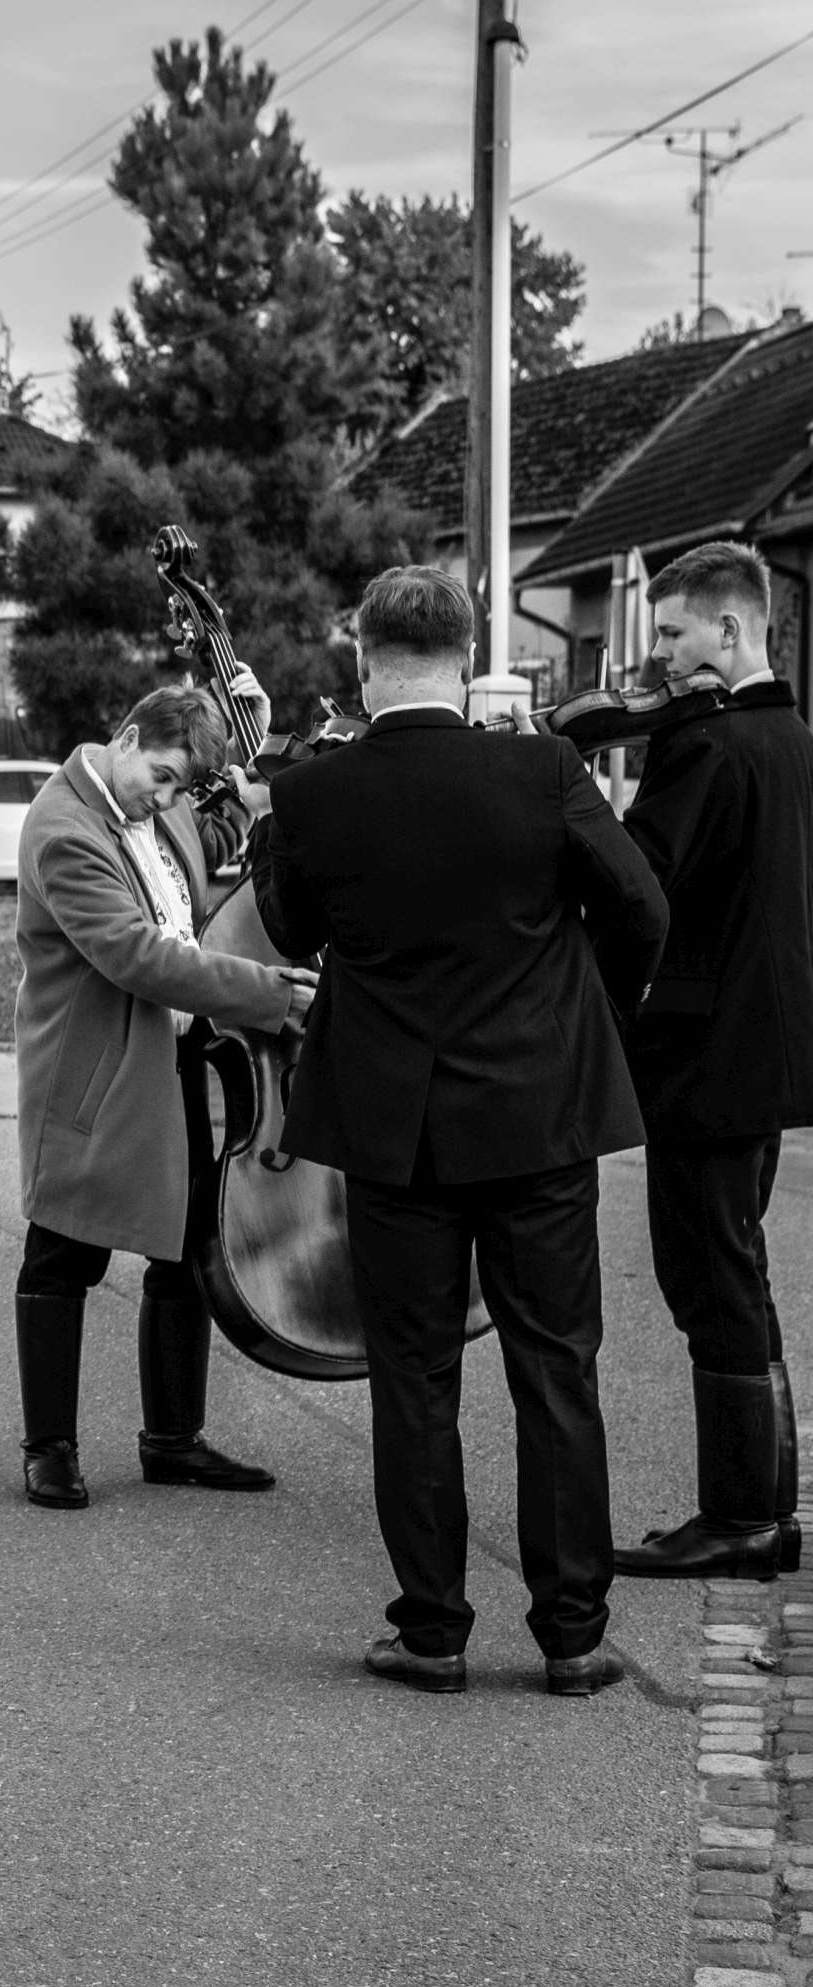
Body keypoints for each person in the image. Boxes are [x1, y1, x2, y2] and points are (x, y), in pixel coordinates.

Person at [257, 566, 668, 1698]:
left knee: (413, 1382)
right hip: (540, 1115)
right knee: (557, 1374)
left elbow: (289, 928)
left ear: (362, 659)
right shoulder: (543, 768)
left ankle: (433, 1631)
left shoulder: (314, 793)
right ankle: (573, 1635)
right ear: (468, 655)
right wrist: (585, 1012)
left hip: (396, 1132)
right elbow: (642, 906)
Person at [11, 683, 316, 1509]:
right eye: (163, 776)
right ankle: (49, 1450)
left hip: (169, 1058)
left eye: (181, 784)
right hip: (93, 1073)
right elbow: (137, 955)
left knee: (184, 1247)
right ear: (126, 737)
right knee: (63, 1255)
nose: (170, 796)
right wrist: (270, 992)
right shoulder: (64, 830)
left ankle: (173, 1442)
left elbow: (204, 838)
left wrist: (250, 771)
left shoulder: (159, 802)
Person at [609, 541, 813, 1580]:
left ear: (729, 629)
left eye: (673, 632)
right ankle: (765, 1511)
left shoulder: (707, 745)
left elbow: (634, 880)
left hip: (704, 1056)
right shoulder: (792, 736)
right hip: (766, 1053)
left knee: (710, 1279)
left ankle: (741, 1517)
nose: (659, 656)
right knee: (737, 1268)